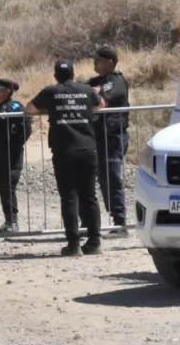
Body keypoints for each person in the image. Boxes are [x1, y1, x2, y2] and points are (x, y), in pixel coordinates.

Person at [25, 59, 104, 256]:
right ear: (73, 74)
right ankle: (94, 242)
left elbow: (29, 109)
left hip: (64, 150)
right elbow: (100, 104)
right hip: (87, 148)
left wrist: (50, 109)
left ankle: (73, 245)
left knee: (69, 197)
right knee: (90, 196)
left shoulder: (51, 92)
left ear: (55, 76)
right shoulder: (86, 90)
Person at [87, 46, 130, 237]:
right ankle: (110, 219)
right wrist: (93, 91)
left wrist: (95, 93)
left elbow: (100, 103)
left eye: (99, 60)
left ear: (111, 62)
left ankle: (120, 223)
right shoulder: (95, 81)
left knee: (112, 179)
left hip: (113, 135)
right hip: (98, 136)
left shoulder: (116, 80)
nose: (95, 63)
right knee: (103, 180)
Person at [0, 78, 32, 233]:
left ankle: (13, 221)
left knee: (9, 184)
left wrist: (15, 144)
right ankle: (8, 220)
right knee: (1, 184)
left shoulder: (16, 107)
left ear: (8, 91)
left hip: (13, 152)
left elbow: (25, 129)